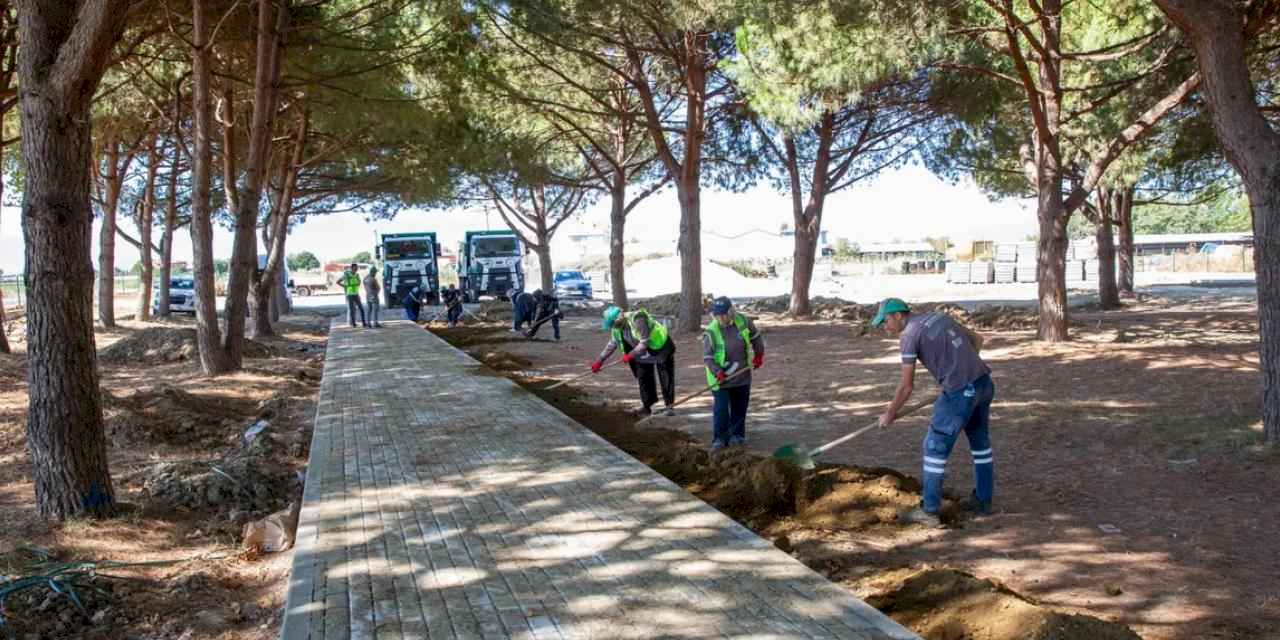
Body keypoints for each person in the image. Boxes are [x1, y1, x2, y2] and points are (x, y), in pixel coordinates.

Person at [872, 297, 994, 528]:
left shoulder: (908, 335)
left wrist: (889, 413)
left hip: (960, 392)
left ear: (899, 315)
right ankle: (983, 501)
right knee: (980, 444)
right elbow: (977, 339)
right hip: (983, 383)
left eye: (885, 321)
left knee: (934, 447)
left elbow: (907, 386)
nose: (884, 327)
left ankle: (929, 511)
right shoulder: (937, 316)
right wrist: (960, 370)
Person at [702, 296, 765, 451]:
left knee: (739, 407)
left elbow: (756, 338)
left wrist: (758, 355)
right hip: (720, 378)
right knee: (721, 410)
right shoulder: (711, 331)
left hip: (742, 375)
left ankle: (737, 435)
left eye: (724, 314)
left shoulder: (743, 321)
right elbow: (708, 358)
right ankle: (720, 438)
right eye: (717, 315)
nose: (721, 318)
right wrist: (717, 372)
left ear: (731, 311)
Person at [592, 305, 676, 417]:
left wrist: (630, 355)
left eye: (613, 324)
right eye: (611, 325)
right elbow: (612, 344)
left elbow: (644, 342)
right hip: (640, 352)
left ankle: (669, 406)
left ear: (618, 319)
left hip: (660, 347)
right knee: (644, 378)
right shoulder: (616, 329)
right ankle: (647, 406)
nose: (613, 327)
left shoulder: (637, 319)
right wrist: (600, 361)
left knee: (666, 376)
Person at [339, 263, 367, 328]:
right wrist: (345, 286)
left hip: (356, 294)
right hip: (350, 294)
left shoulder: (357, 275)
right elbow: (338, 282)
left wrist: (357, 283)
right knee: (352, 310)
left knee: (361, 309)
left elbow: (359, 282)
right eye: (355, 268)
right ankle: (354, 324)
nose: (356, 269)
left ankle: (364, 323)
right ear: (352, 268)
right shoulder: (346, 274)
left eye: (357, 268)